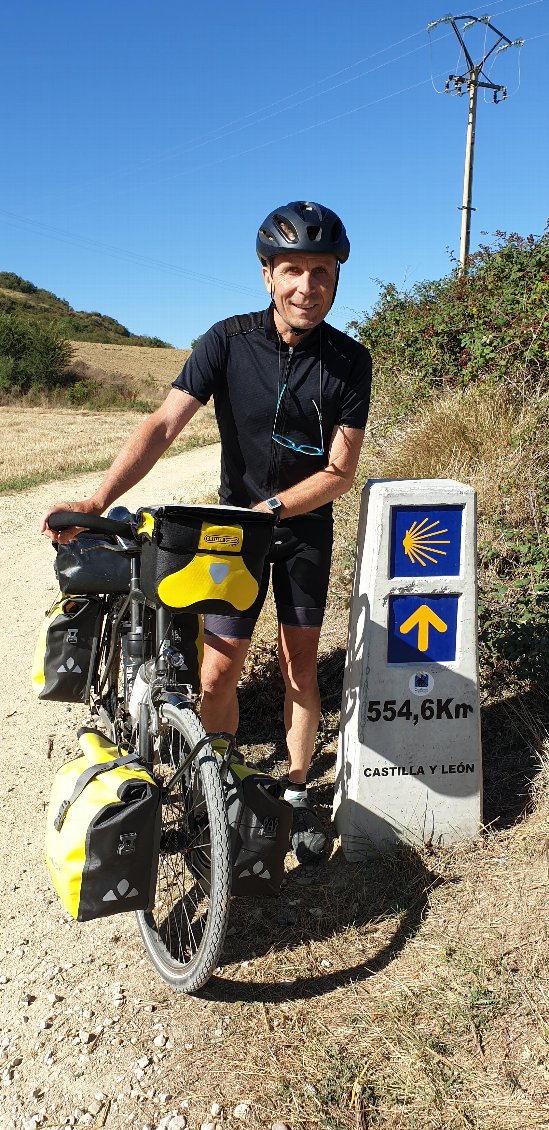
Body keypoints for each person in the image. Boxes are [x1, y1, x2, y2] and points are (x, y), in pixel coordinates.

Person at [41, 200, 372, 865]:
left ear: (336, 278)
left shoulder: (349, 360)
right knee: (219, 673)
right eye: (292, 272)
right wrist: (100, 496)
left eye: (322, 273)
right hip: (230, 537)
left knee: (298, 666)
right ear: (266, 275)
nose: (307, 287)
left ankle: (299, 791)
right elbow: (164, 426)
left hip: (302, 529)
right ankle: (215, 787)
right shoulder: (226, 340)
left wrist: (274, 508)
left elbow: (339, 470)